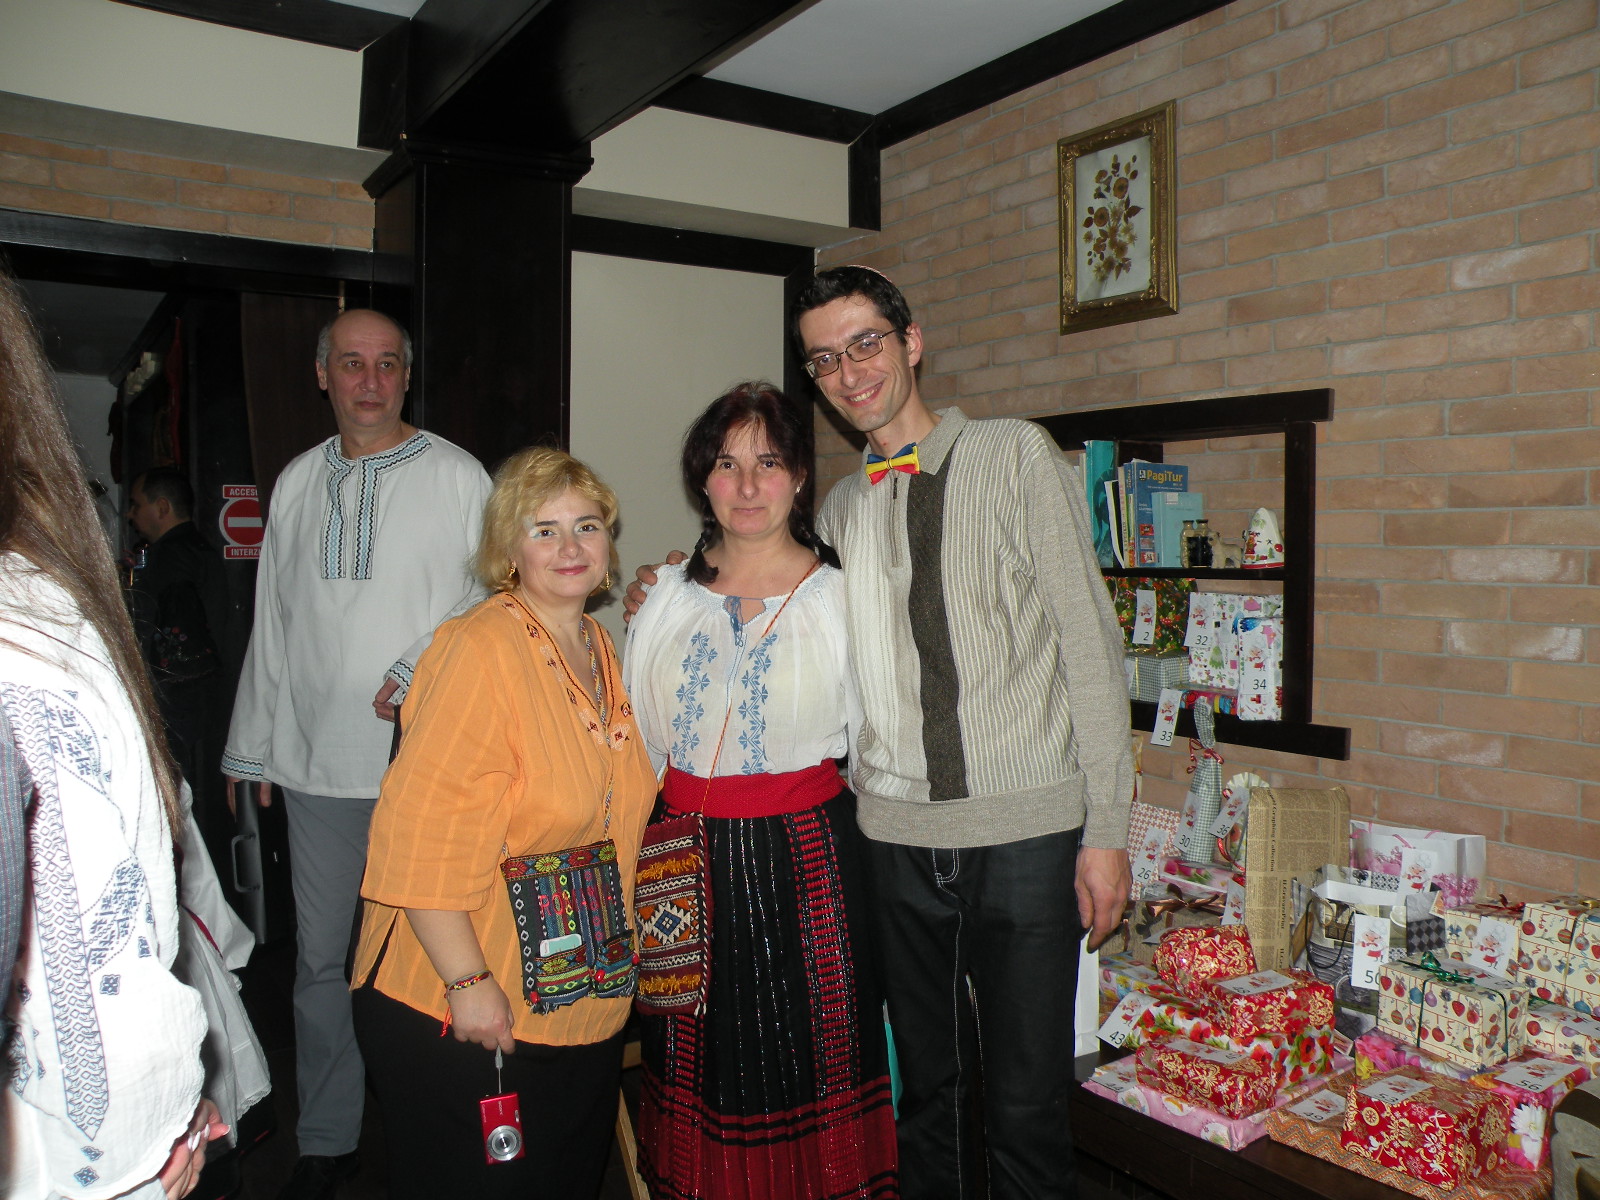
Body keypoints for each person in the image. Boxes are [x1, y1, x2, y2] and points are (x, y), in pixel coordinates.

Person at [631, 266, 1134, 1200]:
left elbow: (1092, 650)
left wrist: (1107, 830)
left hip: (1024, 832)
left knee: (1026, 1099)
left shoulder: (1015, 455)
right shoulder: (839, 514)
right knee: (929, 1096)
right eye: (825, 359)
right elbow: (759, 607)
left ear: (911, 342)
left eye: (865, 343)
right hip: (892, 841)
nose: (849, 371)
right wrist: (672, 588)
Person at [222, 308, 491, 1200]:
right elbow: (274, 621)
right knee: (322, 963)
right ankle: (328, 1139)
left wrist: (416, 666)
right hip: (315, 768)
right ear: (322, 375)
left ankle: (438, 1128)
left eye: (385, 364)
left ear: (406, 376)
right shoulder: (298, 481)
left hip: (428, 766)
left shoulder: (456, 475)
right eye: (351, 363)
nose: (369, 381)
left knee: (436, 959)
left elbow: (491, 597)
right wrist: (252, 749)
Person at [351, 447, 655, 1200]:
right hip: (460, 1000)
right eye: (543, 529)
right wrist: (469, 980)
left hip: (576, 994)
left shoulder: (599, 647)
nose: (570, 546)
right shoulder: (478, 647)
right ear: (508, 549)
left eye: (586, 526)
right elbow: (421, 831)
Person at [622, 383, 898, 1200]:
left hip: (809, 863)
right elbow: (638, 741)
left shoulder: (845, 595)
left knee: (810, 1057)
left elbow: (877, 738)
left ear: (800, 476)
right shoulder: (661, 598)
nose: (747, 485)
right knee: (693, 1054)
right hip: (680, 861)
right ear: (701, 479)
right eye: (727, 463)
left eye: (768, 462)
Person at [0, 267, 227, 1198]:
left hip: (186, 719)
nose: (129, 516)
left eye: (136, 505)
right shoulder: (60, 603)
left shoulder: (41, 623)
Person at [126, 466, 231, 865]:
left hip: (180, 706)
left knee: (188, 815)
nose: (131, 515)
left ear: (162, 507)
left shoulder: (169, 561)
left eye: (136, 505)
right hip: (214, 702)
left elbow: (154, 640)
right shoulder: (202, 550)